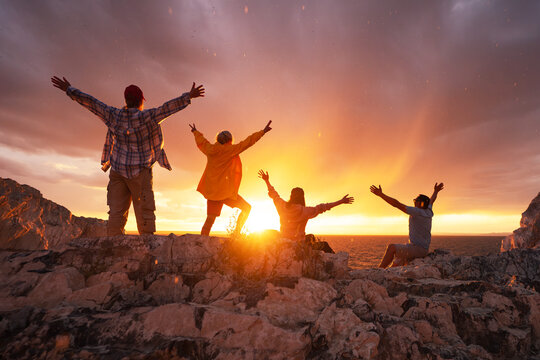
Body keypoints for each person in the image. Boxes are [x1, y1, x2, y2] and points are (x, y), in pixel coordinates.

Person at [51, 76, 205, 235]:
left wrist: (69, 90)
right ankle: (147, 249)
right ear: (140, 101)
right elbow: (167, 108)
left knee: (116, 213)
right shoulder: (147, 117)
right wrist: (189, 96)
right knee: (145, 212)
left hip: (118, 170)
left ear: (126, 100)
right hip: (140, 171)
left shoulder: (114, 115)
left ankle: (113, 248)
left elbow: (92, 103)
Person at [190, 121, 272, 236]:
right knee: (247, 208)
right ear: (230, 140)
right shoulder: (231, 150)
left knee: (209, 220)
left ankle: (201, 243)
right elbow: (248, 142)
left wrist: (195, 132)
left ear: (218, 139)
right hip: (226, 192)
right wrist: (262, 132)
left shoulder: (210, 149)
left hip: (213, 192)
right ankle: (236, 233)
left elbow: (202, 142)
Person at [258, 169, 354, 249]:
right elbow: (323, 207)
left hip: (284, 241)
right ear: (302, 197)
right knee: (323, 245)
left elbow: (274, 194)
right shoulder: (305, 211)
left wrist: (266, 181)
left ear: (291, 196)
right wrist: (341, 201)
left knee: (310, 236)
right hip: (298, 246)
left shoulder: (282, 206)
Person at [370, 182, 444, 268]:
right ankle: (388, 272)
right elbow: (432, 200)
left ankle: (379, 271)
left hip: (417, 249)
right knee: (397, 262)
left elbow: (396, 204)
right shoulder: (428, 211)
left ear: (421, 203)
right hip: (421, 249)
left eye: (416, 201)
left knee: (392, 248)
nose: (414, 202)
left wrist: (381, 195)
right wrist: (436, 191)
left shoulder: (417, 211)